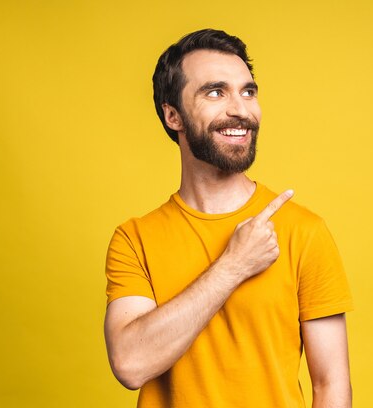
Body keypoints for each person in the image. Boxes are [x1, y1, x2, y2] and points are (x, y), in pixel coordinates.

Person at [103, 29, 353, 407]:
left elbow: (331, 385)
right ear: (173, 115)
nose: (241, 109)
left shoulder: (303, 231)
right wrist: (234, 265)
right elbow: (131, 364)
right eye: (216, 92)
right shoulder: (134, 239)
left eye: (248, 91)